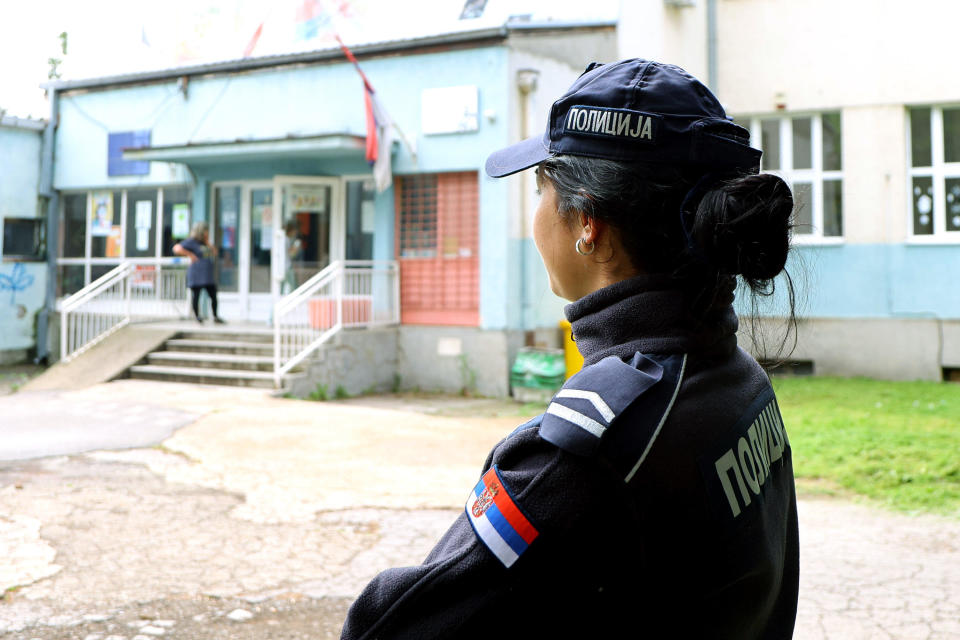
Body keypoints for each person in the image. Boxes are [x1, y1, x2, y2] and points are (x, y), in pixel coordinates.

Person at [341, 59, 799, 639]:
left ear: (587, 222)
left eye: (540, 189)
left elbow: (388, 627)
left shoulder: (589, 452)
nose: (535, 217)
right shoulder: (740, 378)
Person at [173, 222, 225, 324]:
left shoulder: (205, 243)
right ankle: (197, 317)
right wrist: (190, 254)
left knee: (213, 295)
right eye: (206, 231)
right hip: (197, 273)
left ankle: (215, 316)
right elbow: (176, 248)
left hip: (207, 275)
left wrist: (208, 242)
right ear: (201, 231)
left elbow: (215, 252)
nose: (207, 233)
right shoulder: (191, 242)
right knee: (196, 295)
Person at [283, 219, 303, 293]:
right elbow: (291, 253)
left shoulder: (285, 239)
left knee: (285, 286)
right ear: (291, 230)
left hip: (284, 266)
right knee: (294, 285)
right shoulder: (286, 239)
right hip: (286, 267)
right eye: (295, 231)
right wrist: (297, 245)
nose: (296, 233)